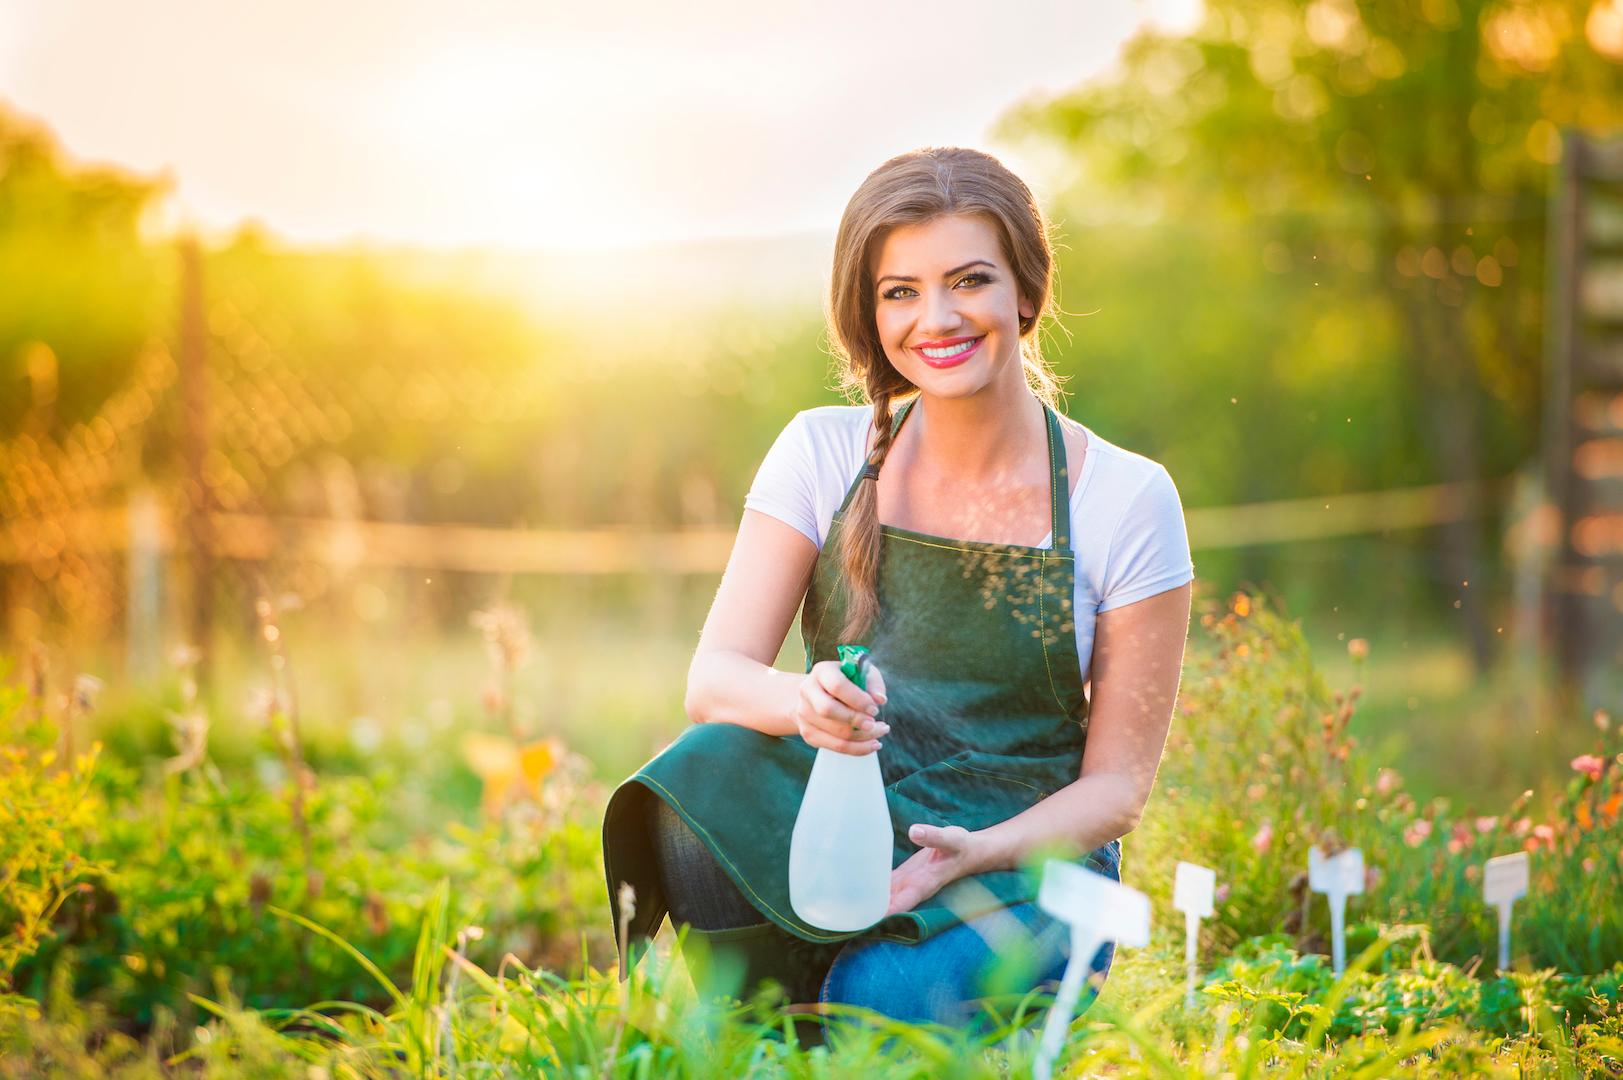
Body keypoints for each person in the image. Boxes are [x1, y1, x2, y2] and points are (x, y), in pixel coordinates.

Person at [601, 146, 1193, 1036]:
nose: (938, 318)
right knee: (693, 780)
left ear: (1026, 292)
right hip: (844, 822)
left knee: (883, 1007)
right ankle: (756, 1040)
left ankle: (837, 1011)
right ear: (867, 311)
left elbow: (1116, 790)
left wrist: (975, 854)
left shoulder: (1125, 498)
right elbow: (715, 679)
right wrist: (807, 702)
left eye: (969, 280)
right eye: (900, 291)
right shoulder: (821, 452)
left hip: (1024, 858)